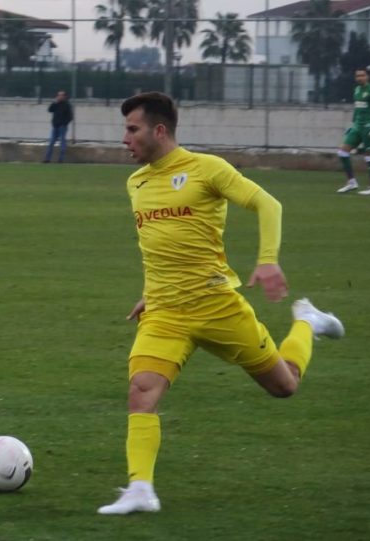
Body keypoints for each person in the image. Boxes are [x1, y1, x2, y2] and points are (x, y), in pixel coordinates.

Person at [98, 92, 345, 515]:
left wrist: (268, 260)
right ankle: (140, 489)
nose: (125, 138)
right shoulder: (135, 183)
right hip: (165, 313)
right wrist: (150, 294)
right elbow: (161, 248)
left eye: (132, 129)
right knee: (141, 391)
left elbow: (267, 203)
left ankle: (307, 321)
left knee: (284, 386)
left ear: (160, 131)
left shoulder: (207, 169)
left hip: (217, 306)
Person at [337, 67, 370, 195]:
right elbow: (357, 109)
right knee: (342, 152)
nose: (359, 78)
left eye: (362, 75)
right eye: (357, 76)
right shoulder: (357, 90)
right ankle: (352, 182)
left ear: (367, 77)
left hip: (368, 127)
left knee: (369, 156)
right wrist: (352, 125)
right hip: (357, 126)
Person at [43, 90, 73, 163]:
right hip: (55, 126)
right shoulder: (56, 104)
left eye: (61, 95)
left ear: (65, 96)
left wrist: (64, 123)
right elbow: (50, 110)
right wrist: (54, 102)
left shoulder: (67, 105)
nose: (60, 96)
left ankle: (61, 159)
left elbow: (70, 117)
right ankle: (47, 159)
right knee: (51, 142)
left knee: (62, 142)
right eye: (58, 95)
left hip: (62, 127)